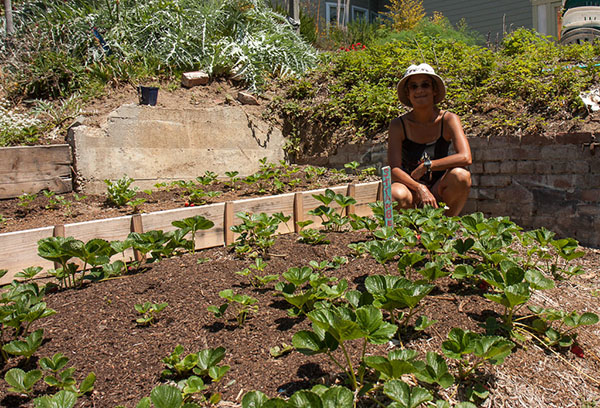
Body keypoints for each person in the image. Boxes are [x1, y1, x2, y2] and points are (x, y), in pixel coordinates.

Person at [387, 63, 472, 216]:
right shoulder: (398, 125)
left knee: (461, 176)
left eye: (425, 85)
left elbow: (465, 157)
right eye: (414, 86)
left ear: (434, 90)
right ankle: (409, 232)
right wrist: (419, 188)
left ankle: (446, 226)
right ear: (408, 93)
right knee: (395, 193)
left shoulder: (448, 119)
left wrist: (428, 165)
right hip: (410, 188)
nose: (419, 90)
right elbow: (394, 169)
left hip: (439, 188)